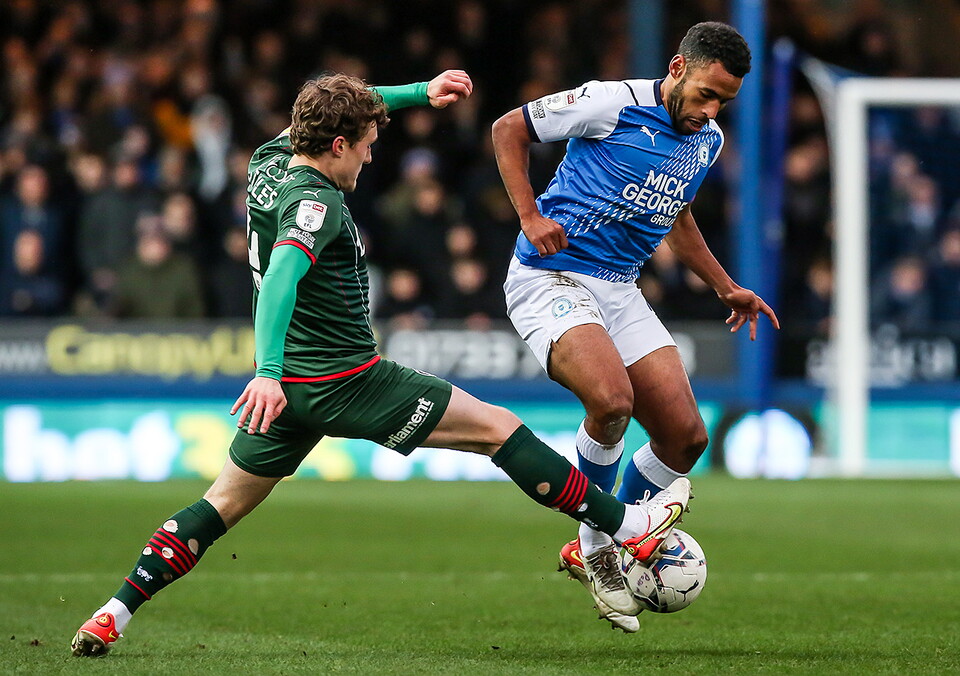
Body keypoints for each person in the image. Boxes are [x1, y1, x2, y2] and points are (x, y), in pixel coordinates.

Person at [71, 70, 692, 657]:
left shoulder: (268, 159)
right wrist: (264, 367)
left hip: (290, 393)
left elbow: (342, 103)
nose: (370, 157)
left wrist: (423, 91)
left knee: (219, 506)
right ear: (337, 145)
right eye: (365, 147)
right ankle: (627, 525)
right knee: (499, 430)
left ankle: (115, 611)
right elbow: (285, 272)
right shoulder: (315, 204)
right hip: (346, 380)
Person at [492, 22, 779, 633]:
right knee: (611, 399)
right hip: (551, 276)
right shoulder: (608, 102)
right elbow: (507, 129)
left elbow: (675, 214)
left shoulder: (707, 140)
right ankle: (598, 548)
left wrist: (724, 285)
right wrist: (529, 214)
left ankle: (597, 537)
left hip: (618, 289)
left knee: (686, 440)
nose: (709, 111)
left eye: (722, 101)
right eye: (704, 93)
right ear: (677, 67)